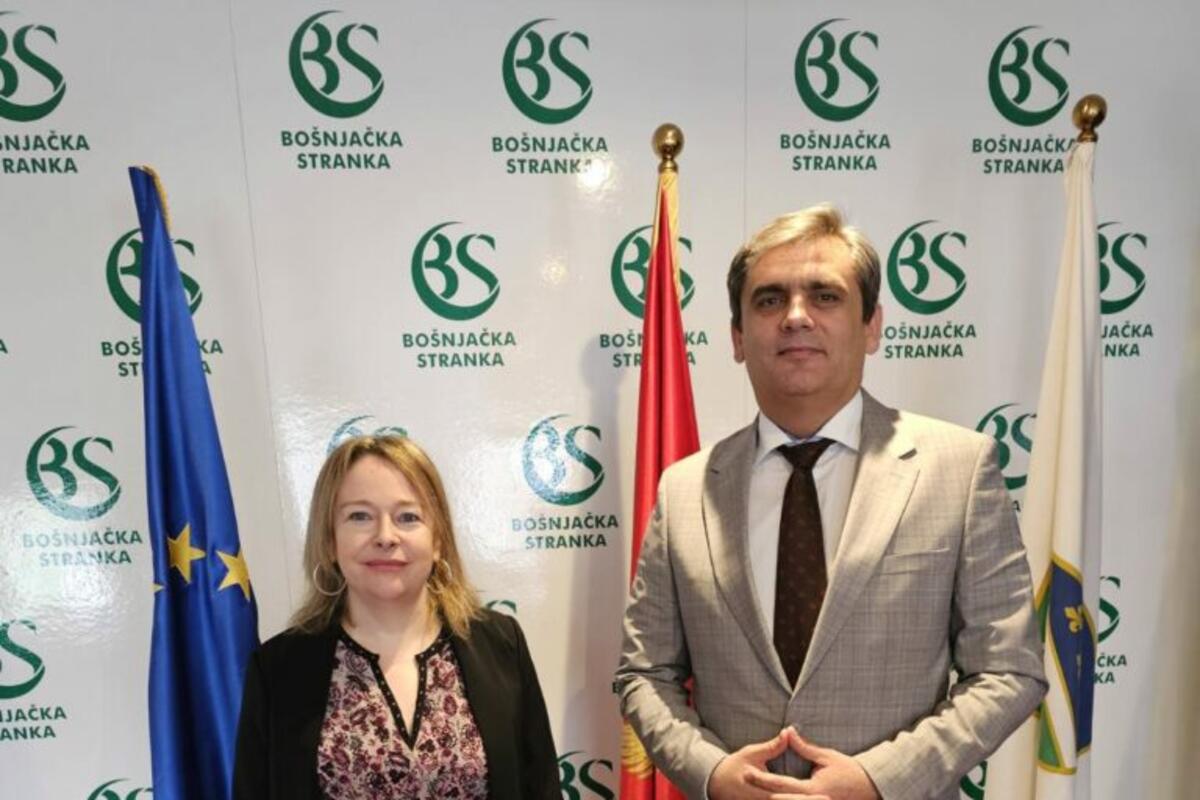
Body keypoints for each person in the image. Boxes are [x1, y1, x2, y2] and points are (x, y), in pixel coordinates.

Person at [615, 204, 1047, 800]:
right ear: (738, 337)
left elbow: (1008, 669)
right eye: (770, 300)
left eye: (825, 296)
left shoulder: (960, 469)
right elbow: (644, 673)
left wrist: (878, 779)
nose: (796, 316)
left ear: (871, 326)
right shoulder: (685, 488)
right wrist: (711, 773)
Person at [234, 435, 559, 799]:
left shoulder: (501, 644)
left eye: (408, 517)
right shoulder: (278, 669)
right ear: (329, 540)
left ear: (438, 540)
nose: (385, 536)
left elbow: (541, 788)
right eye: (360, 516)